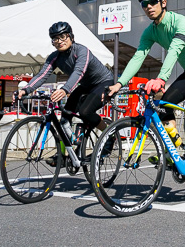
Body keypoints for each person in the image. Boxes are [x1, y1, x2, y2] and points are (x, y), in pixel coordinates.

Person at [106, 0, 185, 176]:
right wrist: (120, 83)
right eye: (144, 4)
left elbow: (175, 50)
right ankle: (174, 150)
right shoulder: (150, 32)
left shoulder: (180, 22)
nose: (148, 7)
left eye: (153, 2)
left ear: (164, 3)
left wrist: (161, 78)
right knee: (162, 107)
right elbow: (139, 56)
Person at [17, 21, 114, 166]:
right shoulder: (54, 57)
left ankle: (109, 134)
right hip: (85, 85)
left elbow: (79, 72)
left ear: (71, 37)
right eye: (55, 38)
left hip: (103, 82)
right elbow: (42, 75)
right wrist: (26, 89)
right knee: (64, 118)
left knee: (85, 112)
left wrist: (65, 89)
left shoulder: (81, 51)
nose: (59, 41)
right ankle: (62, 154)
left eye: (63, 36)